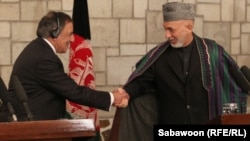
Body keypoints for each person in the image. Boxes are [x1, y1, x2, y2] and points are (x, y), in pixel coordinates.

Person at [109, 2, 248, 141]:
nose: (166, 35)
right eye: (165, 29)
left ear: (189, 27)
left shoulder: (213, 52)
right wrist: (126, 93)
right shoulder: (158, 56)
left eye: (171, 29)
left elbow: (233, 82)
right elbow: (139, 83)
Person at [0, 11, 129, 122]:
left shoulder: (39, 50)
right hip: (30, 130)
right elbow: (73, 91)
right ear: (54, 34)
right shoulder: (44, 58)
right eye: (69, 34)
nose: (72, 39)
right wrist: (111, 97)